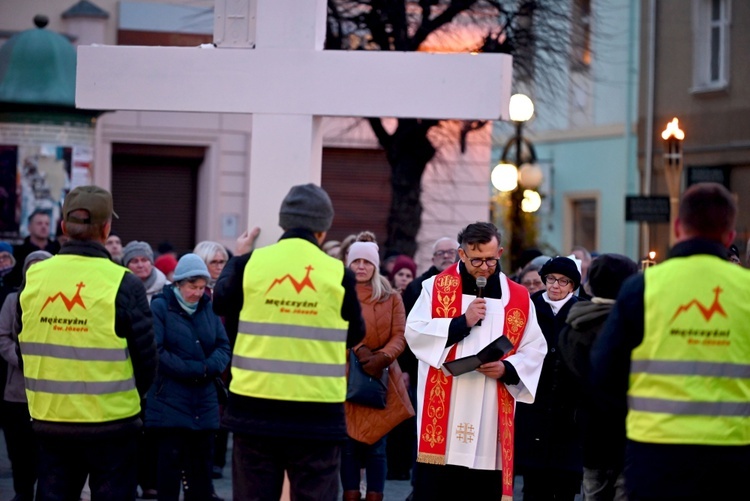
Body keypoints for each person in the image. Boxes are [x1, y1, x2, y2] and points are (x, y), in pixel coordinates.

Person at [591, 182, 750, 500]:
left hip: (655, 453)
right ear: (730, 236)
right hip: (733, 455)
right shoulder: (745, 290)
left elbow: (603, 372)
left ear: (677, 228)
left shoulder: (643, 288)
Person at [212, 183, 365, 501]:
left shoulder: (249, 264)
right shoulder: (338, 273)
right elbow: (356, 334)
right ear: (323, 230)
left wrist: (236, 258)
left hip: (254, 410)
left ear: (282, 223)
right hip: (318, 415)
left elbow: (220, 303)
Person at [17, 185, 157, 500]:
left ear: (63, 226)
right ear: (106, 229)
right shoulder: (124, 282)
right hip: (112, 425)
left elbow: (21, 344)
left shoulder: (35, 277)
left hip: (50, 421)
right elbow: (146, 359)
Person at [405, 222, 547, 500]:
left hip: (490, 409)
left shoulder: (517, 297)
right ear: (461, 254)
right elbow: (414, 332)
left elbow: (534, 348)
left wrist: (507, 368)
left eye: (491, 259)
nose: (484, 267)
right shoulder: (434, 288)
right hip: (446, 406)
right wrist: (461, 322)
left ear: (501, 252)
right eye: (476, 260)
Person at [145, 253, 231, 501]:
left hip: (203, 403)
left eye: (202, 287)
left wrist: (208, 367)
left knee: (201, 475)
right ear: (178, 284)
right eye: (192, 287)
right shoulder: (160, 307)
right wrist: (194, 369)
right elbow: (157, 351)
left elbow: (223, 346)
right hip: (170, 402)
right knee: (169, 473)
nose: (197, 292)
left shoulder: (208, 307)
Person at [558, 254, 638, 501]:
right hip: (630, 432)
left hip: (590, 433)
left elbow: (568, 384)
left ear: (589, 284)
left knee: (593, 493)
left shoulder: (573, 324)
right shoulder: (631, 325)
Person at [342, 240, 414, 501]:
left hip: (382, 376)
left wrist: (383, 356)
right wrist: (359, 348)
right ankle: (350, 494)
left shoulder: (392, 296)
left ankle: (375, 496)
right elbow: (337, 326)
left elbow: (400, 334)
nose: (361, 266)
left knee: (377, 446)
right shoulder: (340, 291)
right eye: (356, 261)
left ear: (376, 265)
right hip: (348, 374)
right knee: (348, 445)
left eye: (367, 261)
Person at [515, 255, 584, 501]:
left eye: (563, 281)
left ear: (572, 286)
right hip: (535, 399)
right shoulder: (530, 306)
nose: (555, 285)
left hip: (569, 406)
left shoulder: (580, 311)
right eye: (551, 279)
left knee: (565, 482)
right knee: (534, 483)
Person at [0, 250, 52, 501]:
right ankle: (22, 492)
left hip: (52, 390)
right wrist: (21, 359)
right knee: (19, 449)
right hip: (18, 390)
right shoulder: (12, 300)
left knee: (47, 451)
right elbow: (2, 337)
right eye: (33, 267)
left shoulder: (59, 302)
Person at [7, 209, 60, 288]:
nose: (43, 227)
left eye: (47, 224)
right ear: (29, 227)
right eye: (39, 223)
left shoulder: (58, 251)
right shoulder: (18, 252)